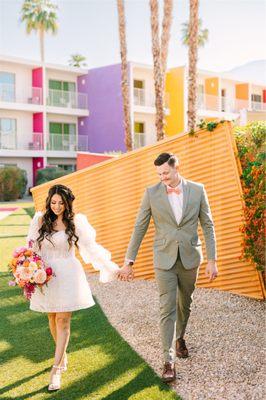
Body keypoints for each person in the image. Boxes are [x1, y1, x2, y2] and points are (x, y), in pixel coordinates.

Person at [117, 153, 218, 383]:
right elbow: (139, 227)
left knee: (185, 304)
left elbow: (208, 225)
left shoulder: (198, 190)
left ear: (176, 168)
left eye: (166, 173)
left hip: (191, 258)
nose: (162, 177)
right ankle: (168, 361)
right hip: (163, 259)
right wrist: (128, 261)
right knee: (166, 308)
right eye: (159, 174)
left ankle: (180, 337)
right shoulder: (151, 193)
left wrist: (212, 260)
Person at [26, 184, 119, 391]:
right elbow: (30, 248)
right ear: (49, 202)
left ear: (67, 203)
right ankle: (63, 353)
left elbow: (91, 249)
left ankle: (56, 369)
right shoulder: (40, 220)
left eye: (61, 203)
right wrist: (28, 270)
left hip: (68, 274)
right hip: (45, 276)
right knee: (52, 317)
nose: (57, 206)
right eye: (53, 202)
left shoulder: (76, 222)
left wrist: (111, 267)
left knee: (63, 319)